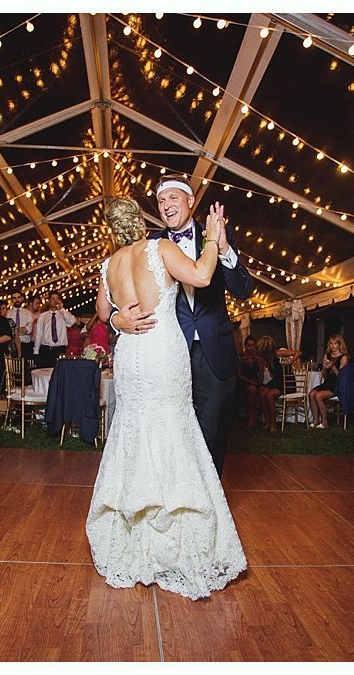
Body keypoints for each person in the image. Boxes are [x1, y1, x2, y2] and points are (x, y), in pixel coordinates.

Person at [86, 196, 246, 600]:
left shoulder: (108, 265)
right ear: (140, 221)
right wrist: (212, 239)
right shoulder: (159, 248)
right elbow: (202, 276)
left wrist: (121, 317)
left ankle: (135, 532)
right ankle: (173, 537)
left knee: (133, 433)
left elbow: (104, 315)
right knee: (172, 431)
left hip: (130, 356)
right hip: (160, 350)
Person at [111, 177, 254, 476]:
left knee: (213, 428)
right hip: (168, 353)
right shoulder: (151, 246)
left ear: (190, 201)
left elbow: (242, 290)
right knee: (169, 429)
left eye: (173, 198)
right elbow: (121, 295)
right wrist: (116, 320)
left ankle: (207, 502)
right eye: (162, 201)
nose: (166, 206)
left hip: (213, 350)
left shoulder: (216, 235)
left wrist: (224, 248)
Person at [255, 336, 301, 432]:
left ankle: (273, 424)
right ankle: (267, 422)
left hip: (286, 382)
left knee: (269, 395)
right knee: (262, 392)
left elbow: (298, 352)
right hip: (276, 381)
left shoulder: (278, 353)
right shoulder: (264, 358)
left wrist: (290, 361)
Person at [309, 334, 350, 429]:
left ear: (340, 344)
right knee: (311, 394)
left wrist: (332, 366)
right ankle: (315, 421)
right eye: (331, 343)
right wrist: (324, 368)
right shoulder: (326, 355)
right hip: (328, 382)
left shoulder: (344, 357)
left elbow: (340, 376)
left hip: (338, 384)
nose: (332, 346)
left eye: (335, 343)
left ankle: (325, 422)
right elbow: (324, 375)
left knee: (318, 396)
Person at [33, 291, 75, 368]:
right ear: (49, 300)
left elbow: (71, 322)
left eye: (57, 299)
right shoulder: (43, 316)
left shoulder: (64, 314)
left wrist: (62, 309)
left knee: (60, 374)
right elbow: (39, 334)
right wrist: (36, 351)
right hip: (46, 349)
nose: (55, 301)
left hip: (60, 350)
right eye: (53, 299)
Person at [236, 335, 262, 428]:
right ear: (245, 346)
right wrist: (250, 381)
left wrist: (259, 380)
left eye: (252, 345)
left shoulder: (257, 358)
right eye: (249, 345)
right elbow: (239, 374)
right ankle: (251, 418)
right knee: (252, 389)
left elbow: (261, 372)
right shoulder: (241, 357)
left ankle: (256, 416)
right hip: (243, 381)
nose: (251, 348)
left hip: (254, 381)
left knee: (262, 391)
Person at [8, 292, 35, 360]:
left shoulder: (28, 313)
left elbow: (29, 329)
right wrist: (22, 330)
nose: (17, 300)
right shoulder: (8, 313)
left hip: (26, 345)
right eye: (14, 298)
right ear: (11, 300)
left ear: (22, 298)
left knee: (26, 369)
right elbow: (8, 330)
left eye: (18, 297)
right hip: (12, 346)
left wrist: (15, 330)